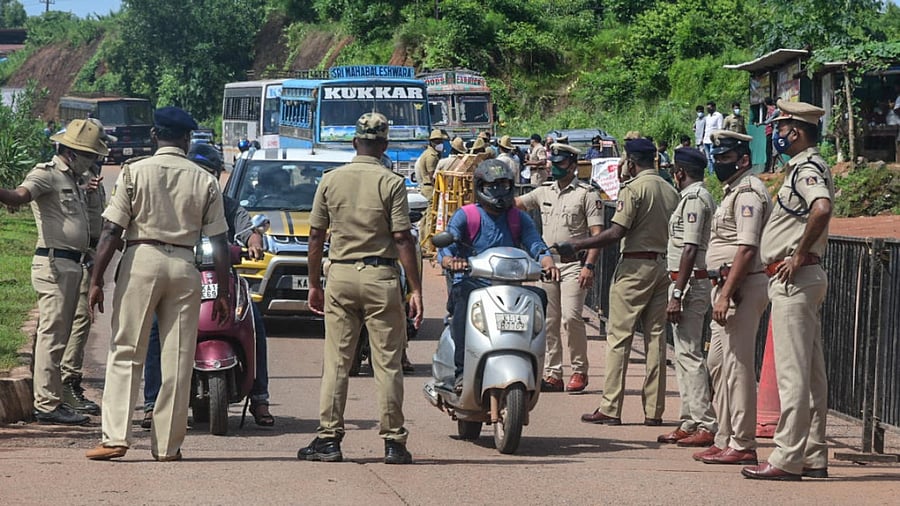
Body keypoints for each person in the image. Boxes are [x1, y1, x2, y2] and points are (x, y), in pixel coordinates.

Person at [85, 106, 231, 461]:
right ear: (187, 139)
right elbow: (220, 242)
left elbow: (111, 230)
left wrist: (96, 280)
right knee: (179, 358)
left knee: (126, 350)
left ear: (154, 136)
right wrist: (223, 291)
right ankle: (167, 446)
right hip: (185, 265)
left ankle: (116, 436)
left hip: (142, 259)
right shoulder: (204, 179)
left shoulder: (134, 171)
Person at [300, 112, 423, 465]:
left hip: (339, 276)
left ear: (355, 142)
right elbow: (402, 237)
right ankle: (393, 443)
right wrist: (415, 289)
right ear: (384, 145)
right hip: (381, 277)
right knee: (387, 363)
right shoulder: (392, 183)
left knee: (337, 362)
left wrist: (313, 284)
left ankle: (328, 439)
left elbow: (315, 236)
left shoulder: (330, 180)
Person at [141, 142, 274, 429]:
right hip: (181, 274)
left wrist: (253, 241)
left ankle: (260, 397)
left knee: (254, 323)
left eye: (210, 174)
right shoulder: (173, 202)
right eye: (198, 172)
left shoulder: (227, 205)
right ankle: (152, 401)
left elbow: (247, 228)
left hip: (222, 275)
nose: (204, 180)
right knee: (155, 328)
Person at [556, 138, 679, 426]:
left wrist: (579, 244)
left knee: (619, 338)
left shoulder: (633, 189)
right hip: (662, 265)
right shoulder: (670, 190)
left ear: (631, 162)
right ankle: (654, 411)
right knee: (656, 340)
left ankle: (611, 407)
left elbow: (615, 232)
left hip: (635, 267)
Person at [743, 100, 833, 481]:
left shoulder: (806, 168)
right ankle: (812, 454)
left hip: (795, 278)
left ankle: (786, 457)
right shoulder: (807, 167)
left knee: (792, 375)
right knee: (811, 374)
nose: (777, 135)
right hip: (804, 277)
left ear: (796, 131)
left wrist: (796, 253)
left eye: (781, 128)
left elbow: (822, 208)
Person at [0, 119, 108, 425]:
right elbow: (19, 196)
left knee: (60, 334)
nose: (93, 161)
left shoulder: (75, 179)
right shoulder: (45, 174)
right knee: (52, 336)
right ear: (71, 152)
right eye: (89, 155)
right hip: (54, 264)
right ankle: (47, 404)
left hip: (72, 264)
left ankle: (53, 398)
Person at [439, 159, 559, 392]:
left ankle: (531, 362)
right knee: (464, 304)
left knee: (539, 297)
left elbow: (535, 243)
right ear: (480, 187)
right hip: (472, 284)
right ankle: (462, 371)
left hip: (509, 286)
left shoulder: (518, 217)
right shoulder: (467, 215)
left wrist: (547, 261)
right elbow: (448, 242)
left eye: (504, 186)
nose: (499, 192)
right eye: (492, 187)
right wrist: (449, 260)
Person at [692, 130, 772, 466]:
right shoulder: (732, 192)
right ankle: (724, 436)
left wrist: (726, 294)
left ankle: (743, 442)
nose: (717, 163)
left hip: (741, 287)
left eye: (724, 158)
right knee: (718, 364)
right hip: (726, 287)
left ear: (741, 159)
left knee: (738, 366)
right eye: (716, 156)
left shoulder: (749, 192)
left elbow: (747, 247)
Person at [515, 144, 602, 393]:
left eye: (561, 163)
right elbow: (516, 204)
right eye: (553, 162)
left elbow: (597, 235)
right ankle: (553, 373)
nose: (555, 167)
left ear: (573, 166)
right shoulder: (543, 192)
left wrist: (589, 266)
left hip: (575, 264)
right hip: (548, 262)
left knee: (571, 316)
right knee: (549, 320)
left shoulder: (587, 194)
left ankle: (579, 370)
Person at [656, 147, 717, 448]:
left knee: (690, 354)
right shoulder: (691, 198)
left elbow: (690, 248)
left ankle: (704, 421)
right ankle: (690, 419)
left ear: (680, 172)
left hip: (689, 283)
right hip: (685, 281)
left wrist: (677, 294)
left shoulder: (694, 200)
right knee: (682, 355)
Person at [61, 118, 115, 416]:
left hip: (89, 252)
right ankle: (67, 381)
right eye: (92, 153)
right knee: (78, 319)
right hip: (72, 255)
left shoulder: (91, 174)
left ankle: (67, 381)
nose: (96, 159)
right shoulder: (66, 176)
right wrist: (84, 188)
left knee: (81, 318)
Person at [416, 128, 446, 240]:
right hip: (430, 188)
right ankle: (428, 243)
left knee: (425, 217)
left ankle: (423, 241)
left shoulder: (429, 153)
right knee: (430, 217)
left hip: (426, 188)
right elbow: (432, 175)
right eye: (437, 141)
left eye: (441, 141)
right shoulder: (431, 156)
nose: (440, 144)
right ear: (431, 142)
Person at [703, 101, 724, 173]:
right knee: (708, 158)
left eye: (710, 107)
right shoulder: (707, 117)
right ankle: (711, 173)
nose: (708, 109)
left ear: (714, 107)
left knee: (713, 157)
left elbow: (720, 128)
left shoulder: (718, 115)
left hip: (713, 140)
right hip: (706, 140)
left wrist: (717, 138)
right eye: (707, 108)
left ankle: (717, 171)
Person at [762, 97, 780, 172]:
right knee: (774, 151)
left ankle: (769, 167)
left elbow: (769, 120)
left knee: (770, 151)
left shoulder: (771, 110)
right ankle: (772, 167)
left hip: (771, 132)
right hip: (773, 131)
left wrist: (761, 123)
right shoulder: (775, 110)